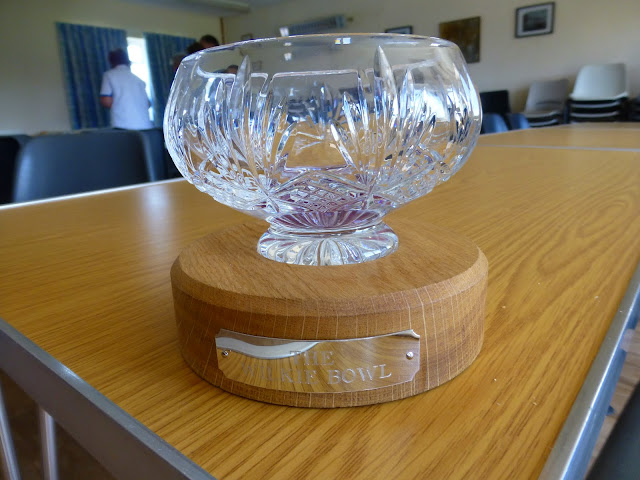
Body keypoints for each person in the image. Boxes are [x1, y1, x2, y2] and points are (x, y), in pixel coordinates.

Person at [99, 48, 152, 130]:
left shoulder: (109, 75)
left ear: (111, 61)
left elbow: (106, 101)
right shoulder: (138, 80)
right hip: (145, 126)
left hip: (123, 125)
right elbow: (148, 103)